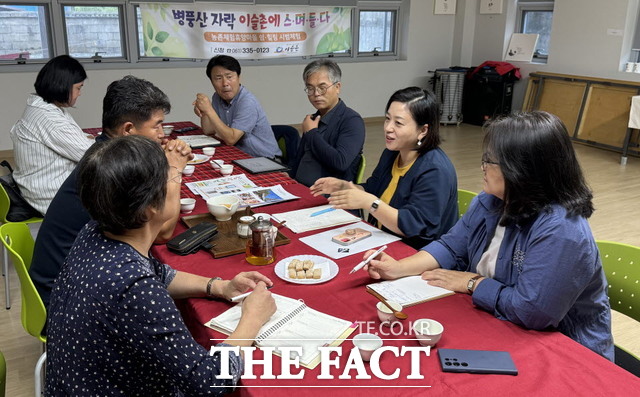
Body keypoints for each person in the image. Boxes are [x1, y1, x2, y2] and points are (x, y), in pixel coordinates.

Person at [364, 111, 614, 360]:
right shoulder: (491, 200)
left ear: (522, 171)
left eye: (490, 161)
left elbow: (531, 311)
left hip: (566, 351)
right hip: (503, 323)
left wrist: (472, 283)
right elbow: (452, 247)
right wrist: (398, 268)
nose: (482, 167)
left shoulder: (561, 229)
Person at [45, 135, 276, 394]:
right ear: (150, 208)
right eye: (173, 179)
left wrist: (219, 287)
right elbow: (209, 382)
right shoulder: (135, 286)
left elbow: (159, 273)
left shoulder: (94, 231)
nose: (177, 184)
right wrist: (252, 320)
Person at [30, 75, 192, 308]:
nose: (162, 134)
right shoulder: (116, 172)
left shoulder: (104, 154)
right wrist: (174, 169)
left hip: (65, 277)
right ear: (128, 129)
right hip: (63, 297)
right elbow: (162, 232)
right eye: (156, 125)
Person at [310, 87, 458, 249]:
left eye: (398, 123)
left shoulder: (435, 170)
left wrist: (369, 203)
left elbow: (413, 226)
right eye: (387, 119)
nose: (388, 128)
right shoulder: (392, 153)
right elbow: (373, 189)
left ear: (423, 130)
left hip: (416, 254)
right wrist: (345, 186)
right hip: (381, 241)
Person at [10, 55, 94, 214]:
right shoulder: (49, 117)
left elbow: (74, 139)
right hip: (51, 197)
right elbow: (92, 155)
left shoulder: (41, 107)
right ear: (63, 86)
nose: (80, 93)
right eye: (79, 88)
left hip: (35, 188)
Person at [291, 59, 365, 187]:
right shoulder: (313, 119)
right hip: (300, 189)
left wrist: (312, 133)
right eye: (310, 88)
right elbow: (300, 159)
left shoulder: (352, 121)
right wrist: (290, 177)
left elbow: (340, 162)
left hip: (328, 197)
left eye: (322, 87)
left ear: (337, 87)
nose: (316, 94)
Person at [193, 55, 281, 158]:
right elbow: (209, 130)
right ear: (212, 82)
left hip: (265, 160)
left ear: (239, 77)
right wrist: (204, 111)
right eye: (218, 78)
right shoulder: (217, 97)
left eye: (229, 77)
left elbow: (231, 139)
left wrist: (209, 110)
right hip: (240, 156)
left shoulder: (247, 102)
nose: (225, 83)